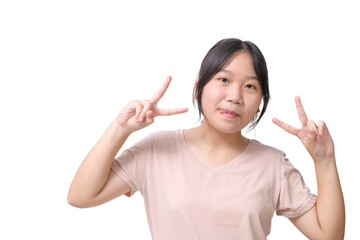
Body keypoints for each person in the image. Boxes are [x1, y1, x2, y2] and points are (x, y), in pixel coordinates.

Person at [68, 38, 345, 239]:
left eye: (250, 86)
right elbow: (81, 196)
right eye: (223, 80)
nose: (235, 96)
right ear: (199, 88)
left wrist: (325, 161)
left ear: (260, 102)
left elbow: (329, 236)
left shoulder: (273, 164)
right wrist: (121, 128)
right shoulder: (157, 149)